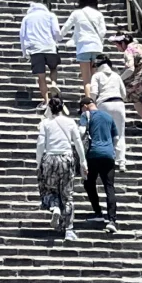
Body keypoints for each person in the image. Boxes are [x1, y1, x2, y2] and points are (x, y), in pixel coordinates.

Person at [37, 93, 86, 241]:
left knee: (49, 189)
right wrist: (83, 161)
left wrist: (38, 163)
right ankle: (69, 229)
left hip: (50, 159)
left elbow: (41, 144)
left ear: (50, 108)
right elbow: (78, 142)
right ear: (62, 107)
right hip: (66, 158)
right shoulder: (70, 122)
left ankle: (55, 207)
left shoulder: (45, 123)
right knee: (67, 194)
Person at [78, 97, 119, 233]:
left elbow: (81, 132)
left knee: (89, 183)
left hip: (93, 154)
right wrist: (111, 149)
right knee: (109, 187)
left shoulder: (86, 115)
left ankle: (98, 212)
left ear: (85, 106)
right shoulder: (108, 117)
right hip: (108, 155)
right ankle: (112, 220)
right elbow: (116, 137)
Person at [60, 0, 107, 90]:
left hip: (83, 47)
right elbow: (103, 32)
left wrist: (59, 38)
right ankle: (96, 98)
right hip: (97, 48)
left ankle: (89, 99)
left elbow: (65, 28)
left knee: (87, 81)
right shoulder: (98, 14)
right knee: (95, 79)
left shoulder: (77, 13)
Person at [20, 0, 62, 106]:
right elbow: (56, 31)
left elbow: (22, 35)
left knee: (41, 77)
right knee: (53, 68)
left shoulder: (27, 18)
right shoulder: (50, 15)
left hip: (35, 50)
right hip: (50, 47)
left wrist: (24, 52)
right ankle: (53, 83)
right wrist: (58, 40)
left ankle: (46, 101)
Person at [89, 55, 128, 170]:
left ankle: (107, 159)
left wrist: (92, 103)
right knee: (120, 134)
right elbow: (124, 94)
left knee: (104, 133)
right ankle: (121, 162)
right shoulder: (117, 76)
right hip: (119, 103)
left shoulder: (96, 76)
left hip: (104, 104)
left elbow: (93, 92)